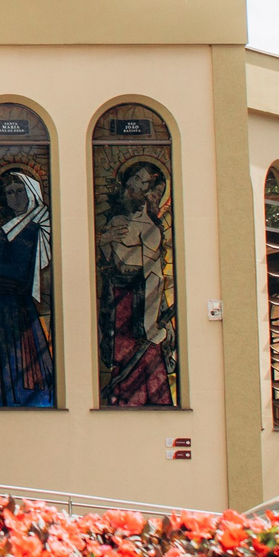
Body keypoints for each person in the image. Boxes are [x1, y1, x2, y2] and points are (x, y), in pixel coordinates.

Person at [0, 167, 56, 406]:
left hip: (18, 305)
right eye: (9, 192)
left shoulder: (39, 223)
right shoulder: (4, 227)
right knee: (3, 365)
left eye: (20, 190)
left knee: (26, 362)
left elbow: (10, 267)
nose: (16, 197)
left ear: (31, 192)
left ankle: (32, 404)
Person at [99, 157, 175, 406]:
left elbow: (153, 276)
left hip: (139, 304)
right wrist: (103, 240)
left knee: (141, 359)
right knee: (119, 354)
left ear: (151, 193)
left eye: (141, 182)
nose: (133, 185)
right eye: (133, 178)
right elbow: (108, 263)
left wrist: (151, 324)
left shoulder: (149, 228)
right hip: (115, 300)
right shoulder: (115, 222)